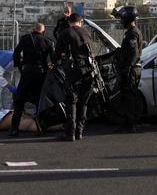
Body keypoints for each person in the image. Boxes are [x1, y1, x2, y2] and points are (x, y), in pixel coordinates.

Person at [10, 23, 55, 136]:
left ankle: (14, 128)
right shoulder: (48, 41)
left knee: (20, 100)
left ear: (34, 29)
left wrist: (20, 66)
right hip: (40, 74)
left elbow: (16, 54)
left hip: (27, 72)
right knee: (40, 100)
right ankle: (41, 127)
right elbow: (54, 58)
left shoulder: (25, 39)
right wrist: (49, 66)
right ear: (43, 31)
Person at [55, 13, 94, 141]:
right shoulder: (87, 32)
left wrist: (53, 63)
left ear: (70, 22)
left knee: (71, 101)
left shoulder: (65, 33)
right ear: (80, 22)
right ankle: (80, 132)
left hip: (73, 71)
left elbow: (58, 52)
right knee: (84, 102)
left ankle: (70, 133)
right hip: (88, 71)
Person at [111, 6, 143, 133]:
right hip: (131, 69)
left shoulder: (132, 33)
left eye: (122, 18)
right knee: (128, 96)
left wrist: (127, 68)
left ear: (127, 18)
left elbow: (133, 54)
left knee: (129, 97)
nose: (120, 21)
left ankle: (130, 125)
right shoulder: (131, 32)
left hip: (131, 70)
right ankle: (130, 122)